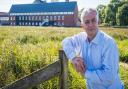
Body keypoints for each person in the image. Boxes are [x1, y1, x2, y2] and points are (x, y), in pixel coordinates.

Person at [62, 8, 124, 89]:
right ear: (82, 26)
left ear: (98, 22)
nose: (90, 25)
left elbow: (109, 76)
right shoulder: (81, 37)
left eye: (93, 20)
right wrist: (73, 58)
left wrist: (85, 73)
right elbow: (65, 41)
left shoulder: (109, 43)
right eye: (87, 22)